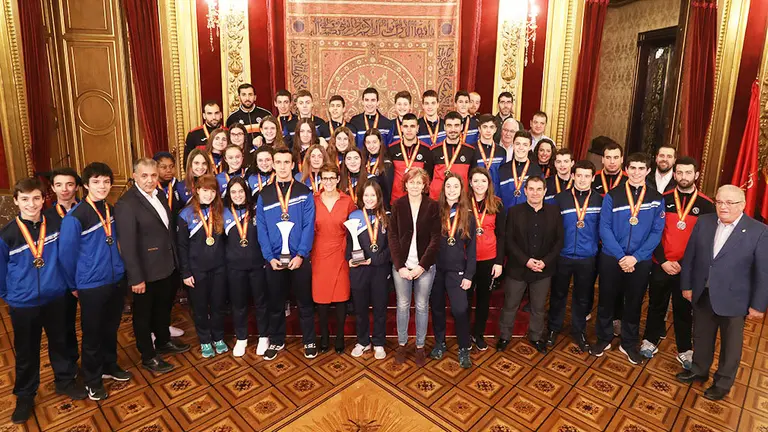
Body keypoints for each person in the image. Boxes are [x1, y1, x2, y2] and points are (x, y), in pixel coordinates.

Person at [1, 178, 86, 423]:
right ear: (16, 201)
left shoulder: (57, 224)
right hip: (23, 303)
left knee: (61, 341)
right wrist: (12, 296)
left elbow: (69, 253)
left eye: (36, 198)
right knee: (27, 351)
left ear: (43, 199)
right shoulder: (7, 235)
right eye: (25, 199)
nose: (31, 204)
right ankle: (25, 395)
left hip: (56, 296)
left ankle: (65, 380)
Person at [676, 185, 768, 401]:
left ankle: (723, 383)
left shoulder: (759, 231)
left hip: (735, 299)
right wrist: (686, 285)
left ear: (742, 205)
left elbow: (764, 272)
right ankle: (699, 370)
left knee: (731, 345)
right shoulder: (704, 222)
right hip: (702, 293)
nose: (723, 207)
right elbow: (690, 257)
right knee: (701, 336)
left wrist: (758, 305)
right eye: (719, 202)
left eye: (730, 202)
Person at [59, 162, 131, 401]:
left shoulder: (109, 209)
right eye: (96, 182)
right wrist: (74, 285)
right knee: (92, 335)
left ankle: (110, 365)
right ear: (86, 185)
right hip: (90, 284)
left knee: (111, 329)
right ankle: (92, 379)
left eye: (106, 181)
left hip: (115, 279)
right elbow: (66, 256)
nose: (102, 186)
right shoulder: (76, 216)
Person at [115, 158, 190, 375]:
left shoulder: (158, 195)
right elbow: (127, 245)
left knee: (163, 308)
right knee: (143, 316)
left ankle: (164, 341)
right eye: (145, 176)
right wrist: (136, 278)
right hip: (145, 272)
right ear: (135, 176)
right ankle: (148, 355)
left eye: (153, 175)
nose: (150, 180)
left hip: (166, 266)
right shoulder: (126, 204)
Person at [592, 153, 664, 365]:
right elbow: (604, 228)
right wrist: (622, 256)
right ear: (627, 169)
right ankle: (603, 338)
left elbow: (656, 232)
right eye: (632, 168)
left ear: (648, 171)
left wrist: (636, 257)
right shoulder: (612, 195)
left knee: (634, 302)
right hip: (612, 257)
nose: (636, 172)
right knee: (605, 299)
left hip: (640, 261)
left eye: (641, 169)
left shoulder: (656, 199)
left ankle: (629, 343)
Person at [642, 156, 715, 365]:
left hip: (688, 269)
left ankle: (685, 349)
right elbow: (652, 233)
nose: (684, 177)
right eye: (680, 173)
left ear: (696, 175)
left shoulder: (707, 205)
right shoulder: (661, 199)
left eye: (688, 173)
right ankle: (650, 340)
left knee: (684, 310)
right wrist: (663, 260)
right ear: (675, 175)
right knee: (656, 304)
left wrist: (684, 264)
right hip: (661, 263)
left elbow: (705, 242)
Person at [256, 148, 317, 360]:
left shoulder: (303, 191)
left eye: (286, 162)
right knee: (275, 303)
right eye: (278, 162)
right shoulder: (264, 195)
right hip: (274, 260)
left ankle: (309, 340)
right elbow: (261, 229)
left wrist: (301, 254)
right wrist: (268, 257)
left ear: (293, 165)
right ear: (273, 164)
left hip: (299, 258)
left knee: (305, 302)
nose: (282, 166)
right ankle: (276, 340)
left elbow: (310, 225)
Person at [497, 176, 563, 354]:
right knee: (510, 304)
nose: (535, 193)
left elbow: (559, 241)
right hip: (518, 268)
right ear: (525, 191)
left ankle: (535, 336)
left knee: (538, 307)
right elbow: (509, 240)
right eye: (531, 189)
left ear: (544, 191)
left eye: (538, 189)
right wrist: (526, 261)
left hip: (543, 269)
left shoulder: (554, 212)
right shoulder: (514, 211)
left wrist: (545, 261)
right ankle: (504, 336)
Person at [547, 160, 602, 353]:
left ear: (593, 178)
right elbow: (552, 228)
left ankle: (579, 331)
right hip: (563, 255)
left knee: (582, 297)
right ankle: (553, 328)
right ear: (572, 176)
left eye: (587, 176)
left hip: (587, 257)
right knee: (558, 294)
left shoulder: (600, 200)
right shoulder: (559, 199)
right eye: (579, 175)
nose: (582, 179)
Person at [388, 168, 440, 366]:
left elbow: (436, 239)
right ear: (406, 184)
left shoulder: (433, 206)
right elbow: (392, 236)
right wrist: (400, 266)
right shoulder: (398, 205)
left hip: (424, 266)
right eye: (412, 182)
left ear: (424, 185)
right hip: (401, 265)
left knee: (421, 306)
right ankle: (402, 345)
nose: (415, 186)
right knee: (402, 305)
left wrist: (422, 266)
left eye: (419, 183)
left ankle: (419, 346)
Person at [177, 174, 228, 359]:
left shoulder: (221, 211)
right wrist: (185, 272)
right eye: (205, 190)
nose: (208, 195)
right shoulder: (185, 214)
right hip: (196, 269)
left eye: (212, 191)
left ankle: (218, 337)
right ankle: (205, 339)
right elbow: (181, 246)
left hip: (219, 267)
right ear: (197, 190)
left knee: (217, 305)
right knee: (199, 307)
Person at [429, 174, 477, 368]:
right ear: (443, 189)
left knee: (460, 309)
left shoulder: (468, 215)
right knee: (437, 308)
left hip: (457, 270)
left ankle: (464, 348)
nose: (451, 189)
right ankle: (440, 342)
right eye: (448, 186)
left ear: (461, 189)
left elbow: (472, 249)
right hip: (436, 269)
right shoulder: (434, 212)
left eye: (455, 186)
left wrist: (469, 275)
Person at [312, 164, 357, 353]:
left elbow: (355, 228)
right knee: (321, 298)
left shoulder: (347, 201)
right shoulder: (312, 200)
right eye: (325, 178)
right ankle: (323, 336)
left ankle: (339, 337)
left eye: (332, 178)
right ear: (320, 180)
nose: (328, 181)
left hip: (341, 252)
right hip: (319, 253)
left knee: (340, 298)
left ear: (338, 179)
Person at [223, 177, 270, 357]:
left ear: (247, 192)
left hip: (257, 264)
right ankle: (241, 337)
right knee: (239, 304)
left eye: (241, 191)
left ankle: (263, 336)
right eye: (233, 192)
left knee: (260, 302)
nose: (237, 195)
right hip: (234, 266)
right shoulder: (224, 213)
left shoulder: (257, 210)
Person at [347, 180, 390, 359]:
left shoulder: (387, 216)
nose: (370, 198)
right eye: (366, 195)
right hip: (359, 270)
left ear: (379, 196)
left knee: (380, 308)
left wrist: (375, 260)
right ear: (361, 196)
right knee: (360, 308)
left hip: (379, 269)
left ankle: (379, 342)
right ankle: (363, 341)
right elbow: (349, 243)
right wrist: (349, 259)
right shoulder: (354, 216)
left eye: (373, 195)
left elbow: (392, 247)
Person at [467, 168, 505, 351]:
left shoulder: (497, 204)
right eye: (476, 180)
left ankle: (478, 334)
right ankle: (464, 333)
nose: (480, 184)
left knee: (484, 299)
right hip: (467, 259)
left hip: (489, 258)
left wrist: (499, 262)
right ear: (470, 183)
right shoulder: (463, 202)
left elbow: (502, 234)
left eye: (483, 181)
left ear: (489, 183)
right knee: (465, 299)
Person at [48, 168, 82, 367]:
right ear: (53, 188)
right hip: (61, 280)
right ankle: (69, 367)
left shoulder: (87, 210)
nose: (65, 190)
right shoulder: (47, 217)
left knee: (95, 323)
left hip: (88, 275)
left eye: (69, 184)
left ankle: (100, 363)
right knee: (64, 326)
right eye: (59, 185)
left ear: (77, 187)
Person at [428, 111, 475, 200]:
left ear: (461, 127)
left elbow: (471, 179)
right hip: (436, 200)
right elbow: (428, 178)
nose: (453, 129)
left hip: (461, 201)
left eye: (456, 125)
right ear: (444, 127)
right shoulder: (433, 151)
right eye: (449, 125)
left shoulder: (470, 151)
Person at [389, 113, 433, 203]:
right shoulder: (391, 149)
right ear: (401, 128)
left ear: (417, 128)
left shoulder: (427, 150)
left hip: (418, 200)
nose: (409, 130)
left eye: (412, 126)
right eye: (405, 126)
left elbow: (429, 177)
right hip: (396, 200)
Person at [499, 130, 542, 208]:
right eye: (518, 144)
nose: (521, 148)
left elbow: (540, 198)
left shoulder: (536, 170)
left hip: (528, 217)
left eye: (525, 145)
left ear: (530, 147)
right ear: (513, 144)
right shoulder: (502, 169)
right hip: (506, 217)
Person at [362, 128, 394, 210]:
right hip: (366, 205)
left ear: (380, 142)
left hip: (382, 207)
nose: (371, 146)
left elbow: (388, 191)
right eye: (368, 142)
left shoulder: (386, 162)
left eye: (374, 142)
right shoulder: (363, 160)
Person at [474, 114, 506, 195]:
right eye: (485, 127)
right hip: (476, 194)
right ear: (479, 129)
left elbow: (502, 176)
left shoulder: (501, 151)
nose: (488, 130)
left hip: (495, 194)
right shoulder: (471, 150)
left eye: (491, 127)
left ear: (495, 129)